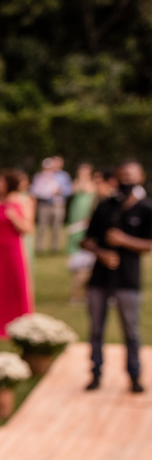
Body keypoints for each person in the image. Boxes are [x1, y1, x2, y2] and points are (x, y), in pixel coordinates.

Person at [81, 160, 152, 393]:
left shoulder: (145, 209)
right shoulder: (105, 206)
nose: (126, 180)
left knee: (131, 331)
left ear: (140, 177)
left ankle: (134, 375)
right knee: (96, 330)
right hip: (100, 279)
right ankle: (95, 373)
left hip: (128, 279)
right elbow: (86, 240)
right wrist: (100, 253)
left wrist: (124, 240)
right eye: (122, 175)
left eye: (131, 175)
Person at [0, 170, 34, 337]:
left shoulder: (22, 202)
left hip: (13, 250)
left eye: (0, 182)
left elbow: (28, 228)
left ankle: (20, 324)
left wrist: (14, 218)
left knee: (15, 286)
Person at [68, 168, 104, 304]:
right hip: (80, 230)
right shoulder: (80, 186)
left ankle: (85, 294)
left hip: (90, 231)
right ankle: (76, 295)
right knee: (82, 264)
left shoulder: (97, 195)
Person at [31, 156, 73, 254]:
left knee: (56, 227)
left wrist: (60, 191)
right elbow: (35, 189)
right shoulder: (41, 175)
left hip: (57, 204)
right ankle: (39, 248)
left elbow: (69, 190)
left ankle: (54, 249)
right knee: (42, 226)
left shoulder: (63, 176)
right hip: (44, 204)